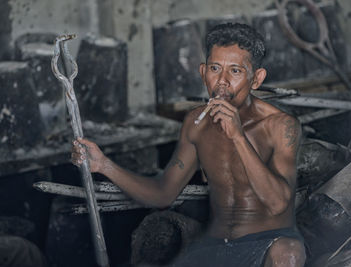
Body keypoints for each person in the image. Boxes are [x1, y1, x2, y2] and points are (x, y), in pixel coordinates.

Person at [72, 23, 306, 267]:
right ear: (203, 71)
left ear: (256, 79)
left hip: (266, 243)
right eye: (215, 68)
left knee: (288, 252)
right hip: (216, 247)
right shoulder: (196, 124)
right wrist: (103, 165)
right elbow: (163, 194)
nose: (222, 82)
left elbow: (278, 204)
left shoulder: (280, 125)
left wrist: (238, 136)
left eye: (235, 71)